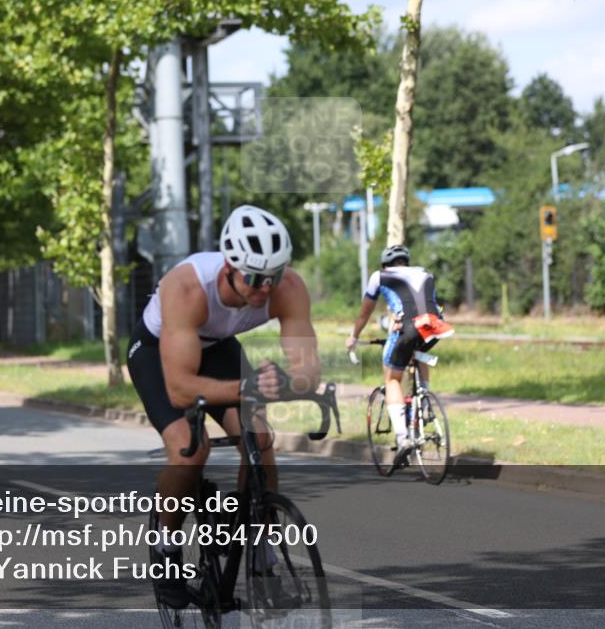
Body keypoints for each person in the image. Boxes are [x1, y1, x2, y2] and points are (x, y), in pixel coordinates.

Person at [127, 205, 320, 609]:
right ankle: (166, 549)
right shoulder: (187, 287)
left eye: (274, 276)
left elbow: (308, 370)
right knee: (190, 447)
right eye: (254, 277)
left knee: (261, 437)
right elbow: (181, 390)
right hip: (158, 352)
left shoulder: (287, 288)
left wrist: (290, 381)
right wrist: (249, 386)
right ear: (229, 267)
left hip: (218, 348)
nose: (264, 288)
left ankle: (263, 559)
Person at [345, 244, 454, 466]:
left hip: (407, 328)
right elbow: (429, 304)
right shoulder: (424, 272)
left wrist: (354, 337)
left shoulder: (380, 276)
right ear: (406, 261)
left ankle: (403, 438)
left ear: (385, 264)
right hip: (435, 327)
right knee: (419, 353)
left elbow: (365, 311)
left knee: (392, 379)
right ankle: (424, 403)